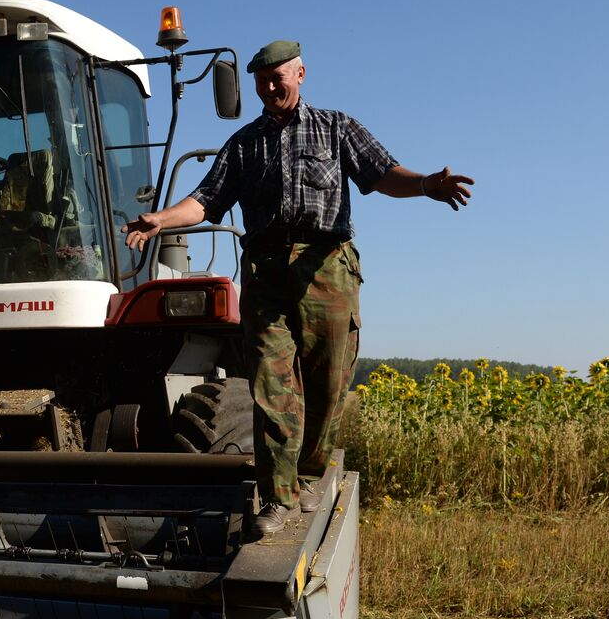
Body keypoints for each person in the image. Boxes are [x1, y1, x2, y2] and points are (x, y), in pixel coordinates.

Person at [123, 40, 473, 536]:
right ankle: (280, 497)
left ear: (301, 73)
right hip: (266, 271)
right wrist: (161, 218)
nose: (269, 88)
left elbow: (382, 173)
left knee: (328, 382)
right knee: (270, 380)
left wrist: (425, 185)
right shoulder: (244, 144)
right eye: (261, 81)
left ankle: (308, 475)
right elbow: (206, 200)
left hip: (327, 266)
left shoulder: (336, 127)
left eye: (278, 78)